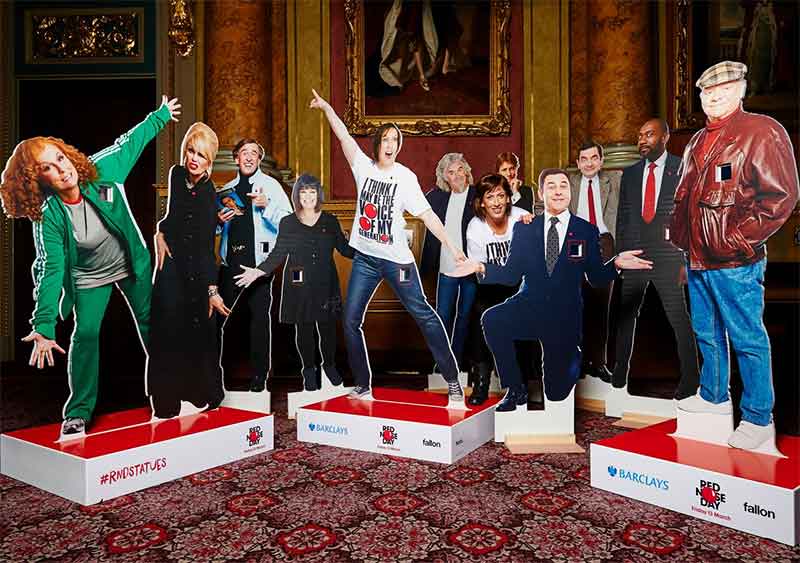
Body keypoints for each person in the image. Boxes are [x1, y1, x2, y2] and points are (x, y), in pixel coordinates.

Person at [0, 95, 180, 435]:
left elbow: (129, 142)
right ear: (38, 181)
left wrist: (161, 116)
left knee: (150, 322)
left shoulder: (101, 171)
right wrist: (44, 327)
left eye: (60, 157)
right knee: (85, 334)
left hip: (130, 264)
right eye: (48, 168)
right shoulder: (49, 216)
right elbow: (50, 269)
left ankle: (170, 390)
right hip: (88, 278)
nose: (62, 167)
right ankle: (78, 411)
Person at [671, 61, 799, 450]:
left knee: (746, 337)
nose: (715, 96)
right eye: (708, 92)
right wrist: (685, 252)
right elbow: (685, 203)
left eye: (724, 89)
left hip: (735, 262)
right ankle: (713, 397)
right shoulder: (695, 141)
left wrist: (737, 241)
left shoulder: (761, 131)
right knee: (706, 333)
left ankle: (759, 418)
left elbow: (781, 197)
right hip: (697, 259)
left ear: (741, 90)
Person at [309, 88, 466, 404]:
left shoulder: (405, 177)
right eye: (387, 139)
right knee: (351, 320)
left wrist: (453, 247)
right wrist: (327, 108)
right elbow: (343, 137)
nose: (391, 145)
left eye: (397, 140)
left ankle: (452, 379)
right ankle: (364, 384)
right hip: (366, 259)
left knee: (423, 313)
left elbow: (428, 215)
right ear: (378, 144)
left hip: (397, 262)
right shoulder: (363, 168)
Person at [449, 168, 652, 411]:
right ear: (541, 193)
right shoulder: (525, 229)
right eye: (551, 186)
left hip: (564, 314)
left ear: (570, 192)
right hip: (530, 305)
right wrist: (480, 266)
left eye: (563, 186)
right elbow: (511, 273)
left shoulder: (586, 230)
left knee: (556, 392)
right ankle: (516, 389)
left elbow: (596, 277)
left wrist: (616, 264)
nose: (558, 191)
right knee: (492, 319)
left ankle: (571, 358)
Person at [234, 174, 354, 391]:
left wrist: (372, 254)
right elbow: (278, 253)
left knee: (327, 329)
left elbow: (345, 249)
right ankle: (309, 370)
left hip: (326, 282)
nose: (307, 196)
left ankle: (329, 366)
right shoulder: (288, 222)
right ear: (297, 195)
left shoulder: (330, 220)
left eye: (312, 191)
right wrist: (258, 271)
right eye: (303, 191)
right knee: (304, 328)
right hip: (298, 284)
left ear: (318, 194)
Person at [612, 118, 699, 400]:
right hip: (635, 255)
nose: (642, 140)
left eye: (649, 134)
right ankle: (619, 374)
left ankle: (691, 379)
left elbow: (690, 216)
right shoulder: (631, 173)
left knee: (678, 317)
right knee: (626, 316)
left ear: (665, 137)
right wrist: (622, 254)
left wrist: (685, 258)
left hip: (668, 256)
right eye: (639, 135)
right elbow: (623, 217)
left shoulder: (681, 168)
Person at [148, 123, 230, 418]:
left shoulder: (209, 193)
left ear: (210, 162)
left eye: (202, 156)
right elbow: (171, 217)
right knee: (165, 329)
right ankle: (164, 404)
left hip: (197, 271)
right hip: (171, 263)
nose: (194, 159)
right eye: (191, 151)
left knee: (196, 332)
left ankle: (199, 395)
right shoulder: (176, 174)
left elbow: (207, 247)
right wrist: (159, 232)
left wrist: (212, 289)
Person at [216, 139, 293, 392]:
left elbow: (289, 225)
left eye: (254, 154)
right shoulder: (226, 190)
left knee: (259, 321)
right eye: (244, 153)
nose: (249, 158)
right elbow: (217, 228)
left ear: (259, 159)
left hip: (259, 267)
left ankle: (260, 379)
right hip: (231, 265)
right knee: (217, 321)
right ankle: (213, 377)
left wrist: (267, 206)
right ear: (236, 158)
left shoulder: (271, 186)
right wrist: (218, 221)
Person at [464, 174, 531, 405]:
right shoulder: (476, 228)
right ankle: (481, 382)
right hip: (492, 286)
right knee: (481, 314)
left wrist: (534, 226)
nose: (496, 202)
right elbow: (481, 273)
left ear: (508, 198)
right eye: (489, 197)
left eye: (501, 195)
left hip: (522, 286)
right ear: (482, 202)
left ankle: (523, 383)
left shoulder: (522, 217)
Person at [568, 140, 620, 382]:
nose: (589, 163)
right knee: (575, 304)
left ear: (601, 161)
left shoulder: (614, 181)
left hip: (604, 242)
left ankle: (599, 363)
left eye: (593, 158)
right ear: (577, 163)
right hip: (576, 243)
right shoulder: (568, 182)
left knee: (601, 306)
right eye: (584, 159)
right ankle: (576, 362)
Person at [420, 152, 476, 374]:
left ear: (467, 171)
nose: (457, 175)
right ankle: (442, 362)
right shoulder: (436, 197)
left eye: (460, 169)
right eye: (450, 172)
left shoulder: (477, 195)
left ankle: (458, 361)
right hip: (446, 266)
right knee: (443, 316)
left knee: (465, 315)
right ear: (444, 177)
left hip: (471, 266)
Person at [379, 0, 438, 92]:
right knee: (401, 40)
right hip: (404, 8)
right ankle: (399, 77)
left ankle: (421, 76)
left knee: (415, 40)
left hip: (415, 7)